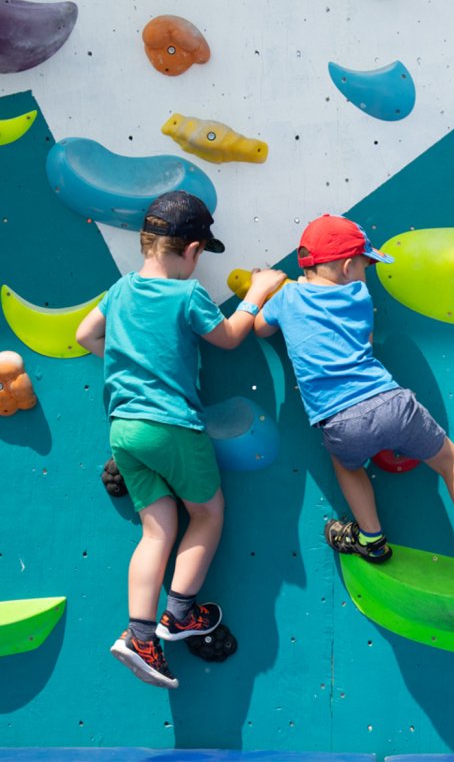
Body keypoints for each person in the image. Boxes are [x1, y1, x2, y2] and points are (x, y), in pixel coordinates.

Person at [76, 190, 286, 689]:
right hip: (171, 425)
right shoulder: (186, 295)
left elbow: (86, 335)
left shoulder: (120, 290)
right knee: (208, 513)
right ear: (192, 250)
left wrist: (130, 360)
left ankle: (139, 636)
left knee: (157, 531)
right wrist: (258, 291)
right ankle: (180, 613)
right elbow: (230, 337)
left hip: (124, 429)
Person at [254, 214, 454, 570]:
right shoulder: (359, 295)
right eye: (365, 266)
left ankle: (371, 538)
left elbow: (261, 329)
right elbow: (365, 341)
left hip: (338, 420)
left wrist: (267, 293)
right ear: (349, 266)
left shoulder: (288, 297)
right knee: (449, 462)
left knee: (346, 466)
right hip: (389, 401)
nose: (366, 274)